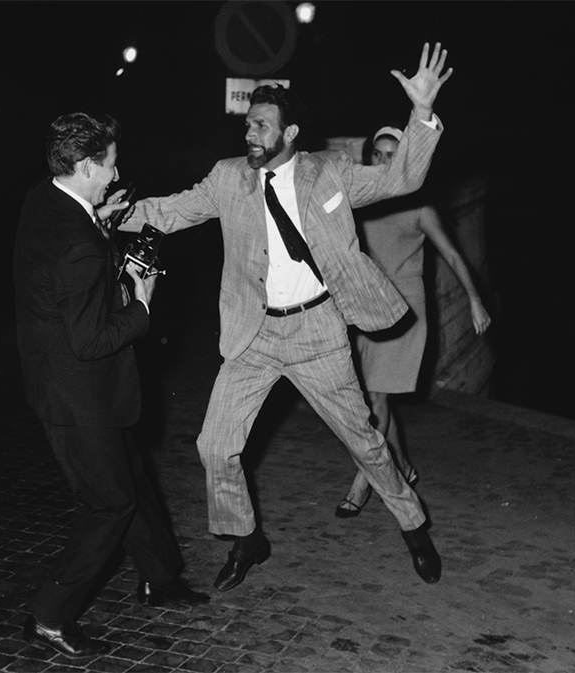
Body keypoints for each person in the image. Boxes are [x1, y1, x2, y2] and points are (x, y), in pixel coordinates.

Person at [119, 43, 452, 588]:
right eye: (248, 124)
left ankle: (413, 524)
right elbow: (171, 210)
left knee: (364, 441)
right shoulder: (229, 178)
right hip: (255, 334)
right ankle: (247, 538)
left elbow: (401, 181)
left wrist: (421, 114)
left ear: (290, 134)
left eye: (263, 126)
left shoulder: (331, 174)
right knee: (214, 445)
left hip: (319, 331)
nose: (250, 134)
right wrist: (108, 213)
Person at [12, 112, 209, 661]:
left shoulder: (44, 197)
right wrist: (141, 304)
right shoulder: (76, 244)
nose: (115, 174)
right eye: (109, 165)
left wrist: (101, 225)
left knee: (135, 482)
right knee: (110, 503)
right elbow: (92, 340)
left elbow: (68, 280)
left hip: (78, 383)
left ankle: (160, 578)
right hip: (77, 394)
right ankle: (49, 616)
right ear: (83, 165)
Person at [334, 125, 492, 518]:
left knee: (375, 399)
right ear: (370, 159)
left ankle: (362, 480)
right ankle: (402, 466)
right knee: (373, 397)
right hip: (367, 306)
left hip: (404, 311)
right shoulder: (358, 200)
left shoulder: (420, 207)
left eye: (394, 155)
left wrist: (475, 301)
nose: (386, 162)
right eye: (379, 155)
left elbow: (454, 256)